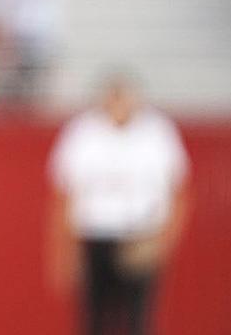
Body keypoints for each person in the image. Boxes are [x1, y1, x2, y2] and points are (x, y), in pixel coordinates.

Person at [46, 73, 190, 335]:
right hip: (94, 237)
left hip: (141, 237)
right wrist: (65, 250)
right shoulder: (83, 131)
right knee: (94, 319)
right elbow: (65, 193)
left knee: (137, 320)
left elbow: (179, 192)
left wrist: (164, 242)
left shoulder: (157, 132)